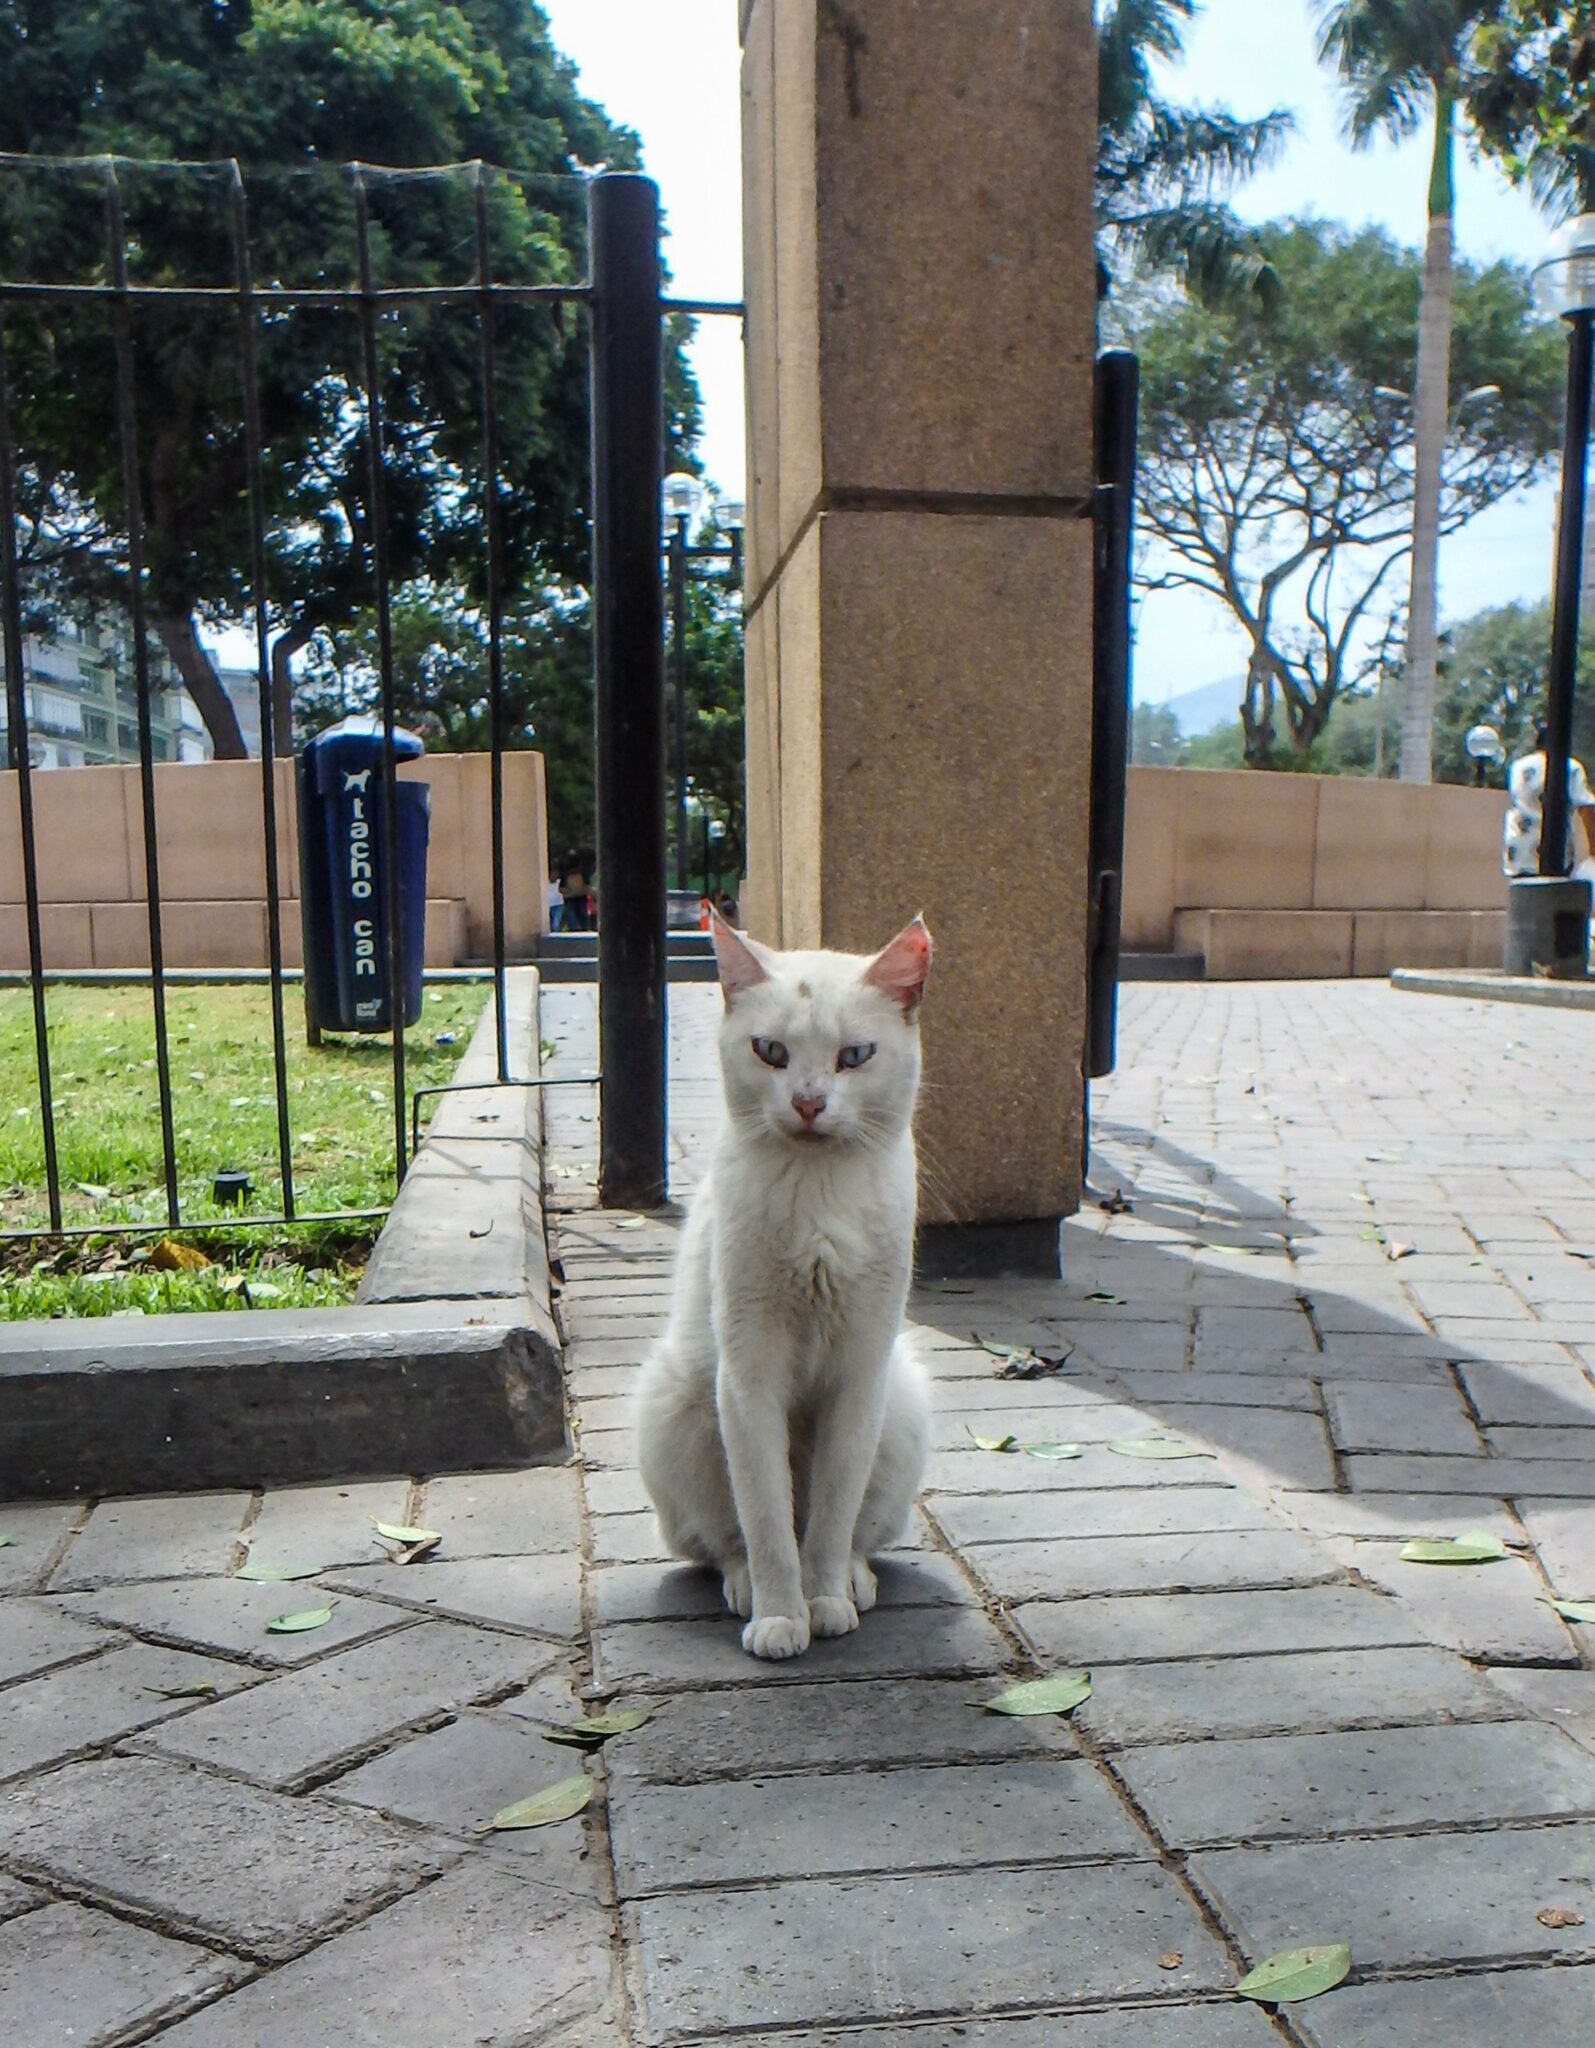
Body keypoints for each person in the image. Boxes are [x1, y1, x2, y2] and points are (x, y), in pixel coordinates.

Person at [1502, 723, 1595, 880]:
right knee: (1554, 896)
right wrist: (1593, 848)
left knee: (1524, 894)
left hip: (1518, 848)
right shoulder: (1570, 767)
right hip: (1555, 849)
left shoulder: (1517, 766)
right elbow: (1586, 809)